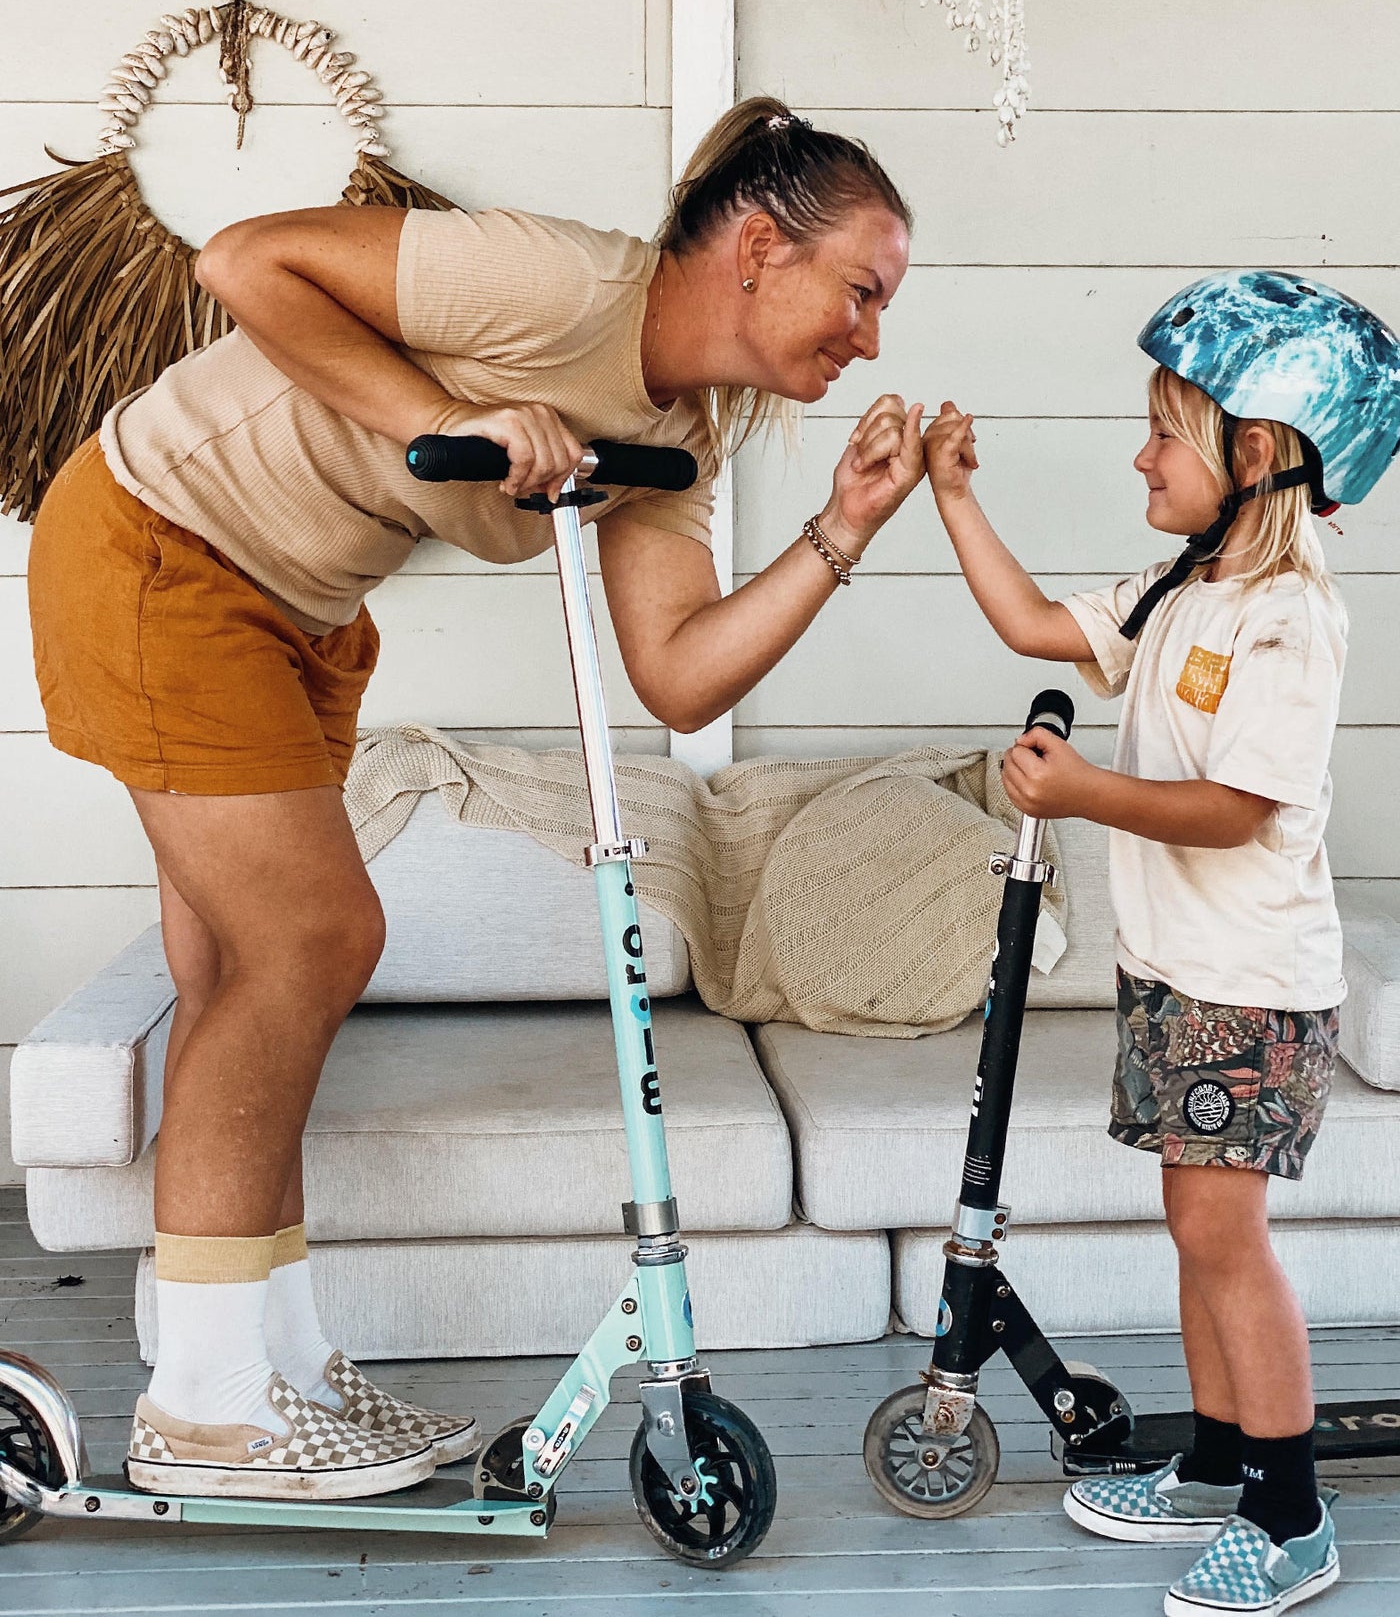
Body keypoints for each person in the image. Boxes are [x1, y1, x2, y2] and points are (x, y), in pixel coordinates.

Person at [27, 96, 928, 1501]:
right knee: (310, 943)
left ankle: (282, 1361)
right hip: (163, 546)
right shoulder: (560, 281)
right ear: (758, 246)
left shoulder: (672, 426)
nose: (870, 335)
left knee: (235, 977)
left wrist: (844, 531)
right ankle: (205, 1406)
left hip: (299, 611)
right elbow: (245, 263)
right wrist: (450, 416)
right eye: (861, 290)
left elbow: (680, 675)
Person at [921, 270, 1400, 1617]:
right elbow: (1034, 625)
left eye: (1163, 431)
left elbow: (1238, 807)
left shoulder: (1288, 619)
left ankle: (1293, 1515)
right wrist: (953, 494)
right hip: (1178, 976)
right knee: (1193, 1228)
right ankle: (1211, 1461)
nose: (1140, 453)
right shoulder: (1183, 583)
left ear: (1254, 455)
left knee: (1221, 1230)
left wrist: (1078, 794)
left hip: (1252, 984)